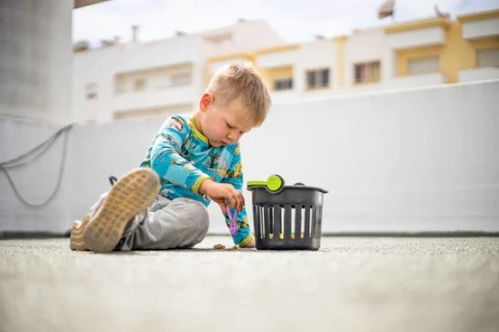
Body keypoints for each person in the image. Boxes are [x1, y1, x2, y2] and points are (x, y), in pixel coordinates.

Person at [70, 63, 272, 252]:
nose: (233, 137)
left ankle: (107, 234)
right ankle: (109, 225)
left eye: (242, 132)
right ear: (206, 102)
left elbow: (233, 195)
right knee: (127, 202)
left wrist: (243, 238)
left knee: (198, 218)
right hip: (145, 199)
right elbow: (162, 157)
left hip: (177, 212)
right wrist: (206, 185)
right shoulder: (178, 125)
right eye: (229, 125)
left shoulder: (231, 151)